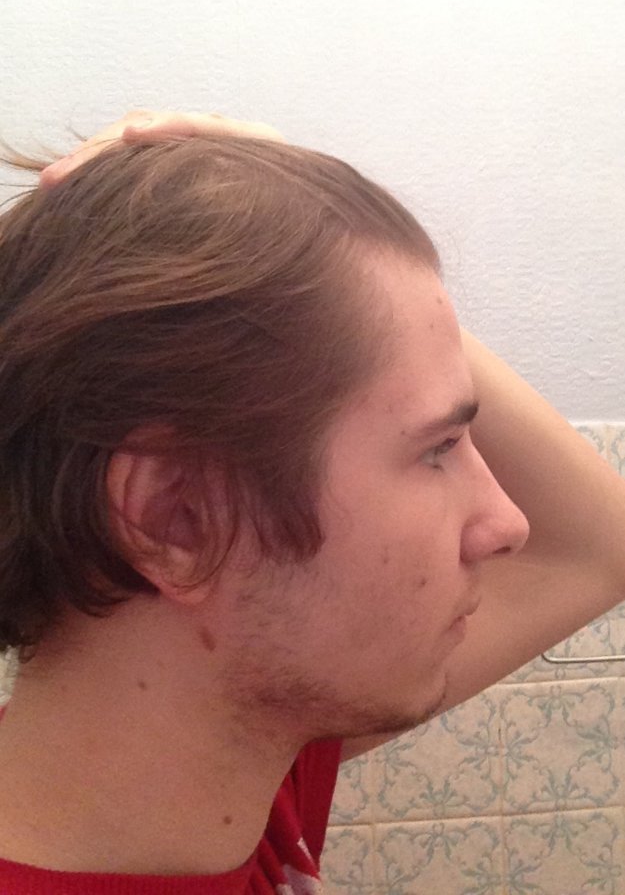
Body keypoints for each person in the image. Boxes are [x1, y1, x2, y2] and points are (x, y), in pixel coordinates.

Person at [0, 110, 624, 894]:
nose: (507, 523)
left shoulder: (249, 765)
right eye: (435, 449)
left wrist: (314, 229)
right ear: (176, 519)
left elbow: (597, 547)